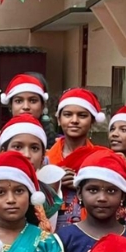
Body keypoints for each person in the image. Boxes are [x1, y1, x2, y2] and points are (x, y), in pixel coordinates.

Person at [47, 88, 105, 230]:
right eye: (68, 115)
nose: (74, 120)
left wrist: (82, 184)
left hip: (91, 229)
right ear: (58, 120)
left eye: (82, 115)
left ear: (92, 121)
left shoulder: (101, 158)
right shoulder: (45, 159)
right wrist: (54, 183)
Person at [0, 114, 64, 225]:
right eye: (17, 147)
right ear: (3, 152)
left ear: (43, 157)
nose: (26, 154)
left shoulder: (49, 196)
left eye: (34, 148)